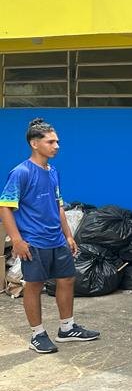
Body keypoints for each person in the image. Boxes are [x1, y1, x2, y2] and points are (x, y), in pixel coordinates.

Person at [0, 118, 99, 353]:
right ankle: (37, 334)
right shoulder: (21, 172)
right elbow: (5, 207)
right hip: (34, 241)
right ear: (34, 143)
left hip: (57, 239)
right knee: (34, 285)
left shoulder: (52, 171)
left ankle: (67, 328)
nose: (56, 146)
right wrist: (17, 240)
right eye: (51, 142)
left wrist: (69, 235)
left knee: (67, 280)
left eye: (57, 142)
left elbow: (58, 205)